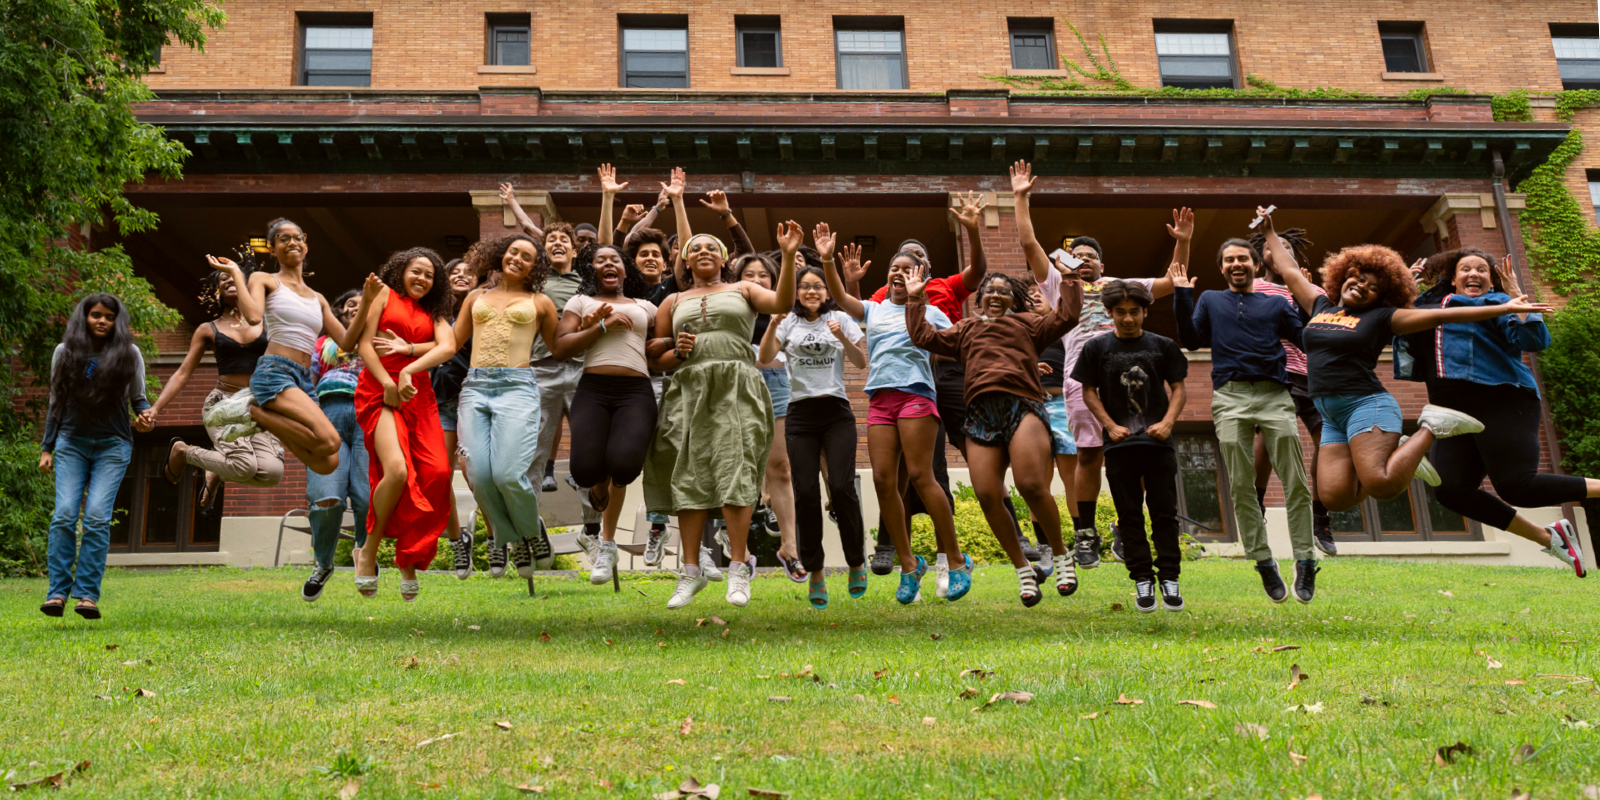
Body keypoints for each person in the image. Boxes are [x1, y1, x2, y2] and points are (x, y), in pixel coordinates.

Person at [1256, 208, 1553, 519]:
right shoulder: (1319, 305)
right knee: (1334, 498)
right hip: (1329, 412)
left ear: (1381, 296)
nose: (1361, 286)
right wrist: (1269, 233)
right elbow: (1289, 271)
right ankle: (1403, 454)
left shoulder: (1384, 318)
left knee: (1382, 484)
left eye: (1372, 286)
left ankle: (1428, 430)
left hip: (1365, 404)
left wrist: (1503, 305)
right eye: (1358, 277)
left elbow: (1442, 314)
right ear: (1344, 275)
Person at [855, 194, 1016, 596]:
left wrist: (972, 229)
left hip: (942, 373)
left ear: (925, 267)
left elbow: (976, 275)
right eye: (897, 262)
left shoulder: (942, 290)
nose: (904, 265)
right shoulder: (879, 299)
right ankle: (904, 557)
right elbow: (856, 314)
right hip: (885, 390)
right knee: (890, 477)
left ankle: (970, 549)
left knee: (943, 462)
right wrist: (848, 276)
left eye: (914, 259)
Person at [1396, 247, 1594, 575]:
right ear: (1452, 278)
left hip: (1503, 399)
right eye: (1466, 269)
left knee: (1518, 487)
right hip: (1452, 409)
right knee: (1450, 490)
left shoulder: (1496, 305)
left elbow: (1534, 341)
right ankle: (1549, 538)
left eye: (1483, 270)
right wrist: (1402, 286)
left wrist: (1516, 297)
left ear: (1492, 280)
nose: (1474, 274)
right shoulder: (1427, 306)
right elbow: (1391, 319)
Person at [906, 263, 1083, 606]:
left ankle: (1061, 555)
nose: (995, 295)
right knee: (987, 494)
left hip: (1022, 406)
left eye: (1003, 291)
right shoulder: (966, 328)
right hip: (981, 414)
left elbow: (1066, 316)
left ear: (1014, 300)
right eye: (990, 291)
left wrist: (1071, 279)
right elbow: (924, 337)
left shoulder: (1028, 323)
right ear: (980, 299)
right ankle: (1022, 569)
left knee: (1031, 484)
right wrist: (916, 300)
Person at [643, 219, 798, 610]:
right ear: (685, 261)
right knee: (690, 473)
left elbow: (781, 303)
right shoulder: (672, 302)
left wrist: (791, 255)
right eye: (695, 248)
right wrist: (676, 350)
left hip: (736, 384)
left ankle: (738, 567)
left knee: (735, 470)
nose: (704, 252)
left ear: (724, 258)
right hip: (688, 390)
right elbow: (654, 357)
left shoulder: (743, 288)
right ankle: (690, 571)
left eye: (712, 247)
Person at [823, 227, 969, 605]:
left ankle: (955, 560)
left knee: (921, 477)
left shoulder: (930, 312)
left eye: (907, 268)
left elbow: (961, 344)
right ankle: (909, 566)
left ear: (920, 276)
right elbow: (840, 297)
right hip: (880, 400)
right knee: (885, 482)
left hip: (916, 396)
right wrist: (827, 260)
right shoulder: (874, 308)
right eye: (894, 267)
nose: (898, 272)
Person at [1171, 240, 1321, 604]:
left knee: (1296, 481)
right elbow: (1191, 341)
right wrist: (1181, 296)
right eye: (1229, 260)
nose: (1236, 264)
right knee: (1240, 483)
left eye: (1242, 259)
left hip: (1274, 396)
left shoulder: (1276, 302)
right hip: (1230, 396)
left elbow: (1304, 340)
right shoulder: (1210, 299)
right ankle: (1263, 560)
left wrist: (1307, 300)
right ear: (1221, 268)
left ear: (1255, 264)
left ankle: (1305, 558)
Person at [1048, 202, 1190, 567]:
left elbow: (1171, 281)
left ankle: (1127, 528)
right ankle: (1086, 533)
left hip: (1132, 379)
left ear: (1102, 265)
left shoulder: (1122, 287)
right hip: (1085, 380)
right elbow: (1031, 246)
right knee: (1089, 455)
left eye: (1090, 256)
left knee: (1138, 453)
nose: (1084, 260)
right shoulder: (1060, 286)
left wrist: (1183, 241)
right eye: (1076, 255)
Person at [205, 218, 372, 476]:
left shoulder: (318, 299)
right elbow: (252, 317)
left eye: (297, 238)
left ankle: (259, 415)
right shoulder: (265, 280)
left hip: (305, 380)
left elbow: (348, 342)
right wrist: (237, 274)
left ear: (305, 246)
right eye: (283, 238)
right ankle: (252, 412)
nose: (292, 242)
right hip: (276, 372)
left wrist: (368, 302)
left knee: (327, 462)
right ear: (272, 249)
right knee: (331, 441)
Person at [1070, 280, 1190, 613]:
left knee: (1165, 514)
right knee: (1129, 516)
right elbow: (1088, 392)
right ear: (1109, 313)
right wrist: (1109, 425)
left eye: (1134, 312)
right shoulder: (1096, 348)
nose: (1127, 318)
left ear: (1145, 311)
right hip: (1119, 447)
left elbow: (1179, 389)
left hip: (1158, 444)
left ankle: (1170, 578)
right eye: (1120, 312)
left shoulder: (1163, 345)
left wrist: (1167, 423)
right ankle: (1141, 580)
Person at [453, 235, 562, 584]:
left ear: (535, 267)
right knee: (479, 477)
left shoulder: (540, 302)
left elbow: (558, 346)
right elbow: (453, 342)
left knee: (507, 474)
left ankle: (531, 533)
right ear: (502, 255)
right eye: (514, 251)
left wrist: (596, 327)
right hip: (475, 387)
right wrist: (409, 347)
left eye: (527, 257)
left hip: (517, 388)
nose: (517, 258)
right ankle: (517, 539)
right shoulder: (475, 297)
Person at [38, 294, 155, 619]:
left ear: (117, 322)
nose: (102, 321)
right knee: (63, 514)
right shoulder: (65, 353)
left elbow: (139, 398)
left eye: (108, 316)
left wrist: (146, 417)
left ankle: (87, 595)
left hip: (113, 445)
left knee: (97, 518)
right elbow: (56, 401)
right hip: (71, 442)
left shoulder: (129, 353)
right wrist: (47, 447)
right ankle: (57, 592)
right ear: (85, 317)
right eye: (96, 315)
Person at [352, 247, 458, 601]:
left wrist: (410, 358)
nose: (422, 279)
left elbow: (449, 346)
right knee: (396, 471)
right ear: (402, 270)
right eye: (417, 271)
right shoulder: (384, 294)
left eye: (429, 275)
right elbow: (364, 345)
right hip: (379, 390)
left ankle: (408, 555)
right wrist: (386, 382)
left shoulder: (434, 311)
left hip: (418, 394)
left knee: (437, 474)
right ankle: (367, 551)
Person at [763, 255, 868, 608]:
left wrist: (844, 338)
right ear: (796, 292)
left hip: (836, 411)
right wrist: (772, 324)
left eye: (817, 286)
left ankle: (856, 562)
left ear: (827, 292)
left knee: (841, 487)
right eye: (805, 286)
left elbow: (860, 362)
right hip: (800, 414)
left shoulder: (839, 319)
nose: (811, 290)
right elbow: (765, 358)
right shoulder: (787, 321)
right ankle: (817, 573)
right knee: (805, 492)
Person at [554, 232, 658, 586]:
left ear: (626, 270)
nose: (609, 263)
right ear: (592, 269)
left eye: (615, 259)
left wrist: (675, 343)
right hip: (593, 389)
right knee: (584, 471)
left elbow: (661, 345)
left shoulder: (646, 306)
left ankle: (607, 542)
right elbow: (561, 347)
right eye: (601, 260)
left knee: (625, 465)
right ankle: (598, 487)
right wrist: (600, 326)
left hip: (635, 390)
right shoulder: (580, 302)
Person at [151, 267, 283, 509]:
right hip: (224, 403)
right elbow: (183, 373)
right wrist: (156, 408)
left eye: (237, 277)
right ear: (217, 290)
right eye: (224, 278)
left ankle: (216, 472)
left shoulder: (267, 324)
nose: (231, 280)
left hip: (257, 406)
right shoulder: (207, 329)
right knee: (245, 466)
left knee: (272, 473)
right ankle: (182, 451)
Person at [1247, 226, 1336, 556]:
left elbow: (1323, 327)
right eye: (1273, 245)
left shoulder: (1310, 290)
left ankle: (1320, 515)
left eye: (1287, 247)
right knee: (1268, 442)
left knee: (1328, 441)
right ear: (1261, 256)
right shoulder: (1252, 287)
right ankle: (1256, 508)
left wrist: (1305, 294)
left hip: (1313, 376)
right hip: (1273, 374)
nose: (1279, 250)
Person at [300, 289, 371, 601]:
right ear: (339, 314)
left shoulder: (379, 339)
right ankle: (324, 563)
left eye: (361, 304)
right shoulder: (323, 344)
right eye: (349, 304)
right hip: (328, 415)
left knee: (368, 497)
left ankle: (364, 554)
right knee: (327, 498)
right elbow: (307, 380)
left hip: (370, 414)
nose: (354, 307)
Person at [741, 252, 805, 582]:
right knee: (739, 468)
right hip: (736, 382)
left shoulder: (781, 307)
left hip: (777, 381)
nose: (755, 279)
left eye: (763, 275)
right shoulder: (731, 303)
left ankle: (789, 546)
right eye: (748, 274)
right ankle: (740, 552)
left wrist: (790, 254)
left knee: (780, 466)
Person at [428, 257, 484, 579]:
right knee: (438, 477)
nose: (461, 276)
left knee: (479, 474)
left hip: (476, 399)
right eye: (454, 272)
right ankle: (457, 539)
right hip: (440, 401)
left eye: (468, 272)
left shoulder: (484, 310)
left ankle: (496, 537)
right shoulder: (434, 314)